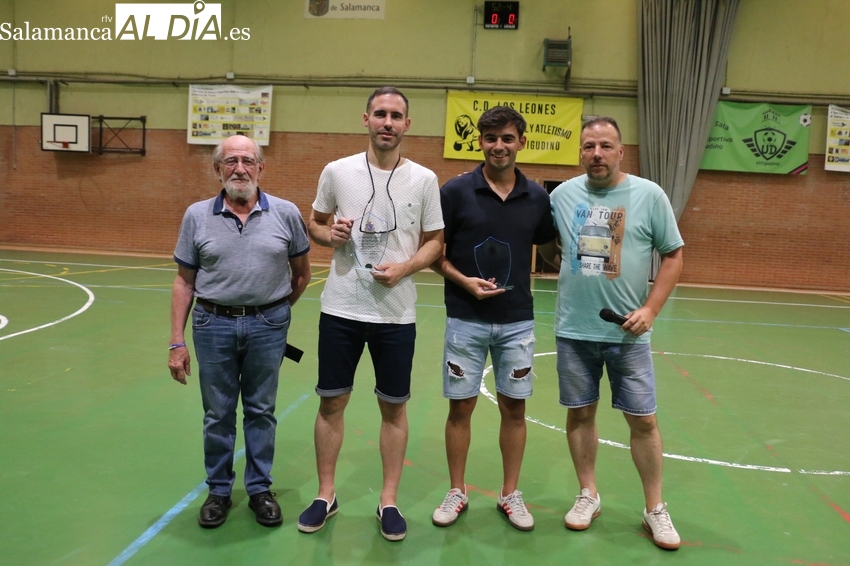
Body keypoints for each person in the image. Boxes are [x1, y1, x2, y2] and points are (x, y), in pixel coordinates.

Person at [298, 87, 444, 541]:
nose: (387, 122)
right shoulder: (336, 171)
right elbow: (314, 222)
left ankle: (389, 500)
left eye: (395, 116)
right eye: (380, 114)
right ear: (365, 119)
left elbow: (436, 241)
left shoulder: (424, 179)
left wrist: (404, 267)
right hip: (341, 308)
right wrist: (329, 235)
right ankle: (326, 494)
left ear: (407, 125)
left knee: (393, 407)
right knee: (332, 402)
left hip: (396, 316)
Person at [547, 116, 684, 550]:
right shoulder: (562, 195)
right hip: (574, 331)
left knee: (643, 420)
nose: (597, 154)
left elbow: (674, 254)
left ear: (621, 151)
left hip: (628, 336)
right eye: (589, 146)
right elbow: (549, 246)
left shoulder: (650, 195)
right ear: (580, 152)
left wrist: (650, 308)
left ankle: (654, 509)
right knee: (580, 414)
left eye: (606, 146)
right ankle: (588, 493)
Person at [167, 135, 311, 529]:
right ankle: (218, 491)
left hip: (268, 325)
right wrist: (176, 341)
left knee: (261, 410)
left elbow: (302, 275)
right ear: (218, 170)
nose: (240, 168)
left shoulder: (286, 213)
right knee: (218, 413)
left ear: (261, 168)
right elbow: (184, 283)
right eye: (230, 161)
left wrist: (275, 313)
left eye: (248, 160)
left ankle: (260, 489)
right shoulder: (197, 215)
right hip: (212, 325)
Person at [429, 106, 556, 532]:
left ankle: (509, 493)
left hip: (517, 320)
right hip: (465, 317)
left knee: (514, 408)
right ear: (479, 142)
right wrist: (464, 281)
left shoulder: (538, 197)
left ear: (521, 141)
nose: (498, 146)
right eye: (490, 138)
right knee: (460, 406)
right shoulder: (455, 192)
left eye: (506, 138)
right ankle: (456, 489)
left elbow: (540, 244)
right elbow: (435, 254)